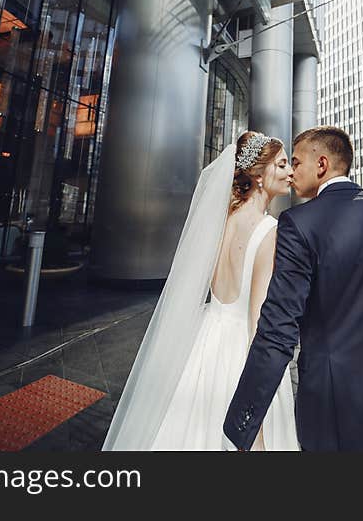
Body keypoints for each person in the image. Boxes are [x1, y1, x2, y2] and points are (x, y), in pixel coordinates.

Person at [224, 126, 363, 451]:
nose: (291, 172)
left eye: (296, 163)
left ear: (322, 165)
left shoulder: (299, 224)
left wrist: (243, 423)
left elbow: (278, 328)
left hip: (337, 415)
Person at [102, 131, 300, 450]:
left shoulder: (221, 221)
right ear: (259, 176)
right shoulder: (269, 232)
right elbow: (256, 328)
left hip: (206, 338)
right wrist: (254, 428)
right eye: (282, 164)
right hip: (239, 353)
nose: (291, 171)